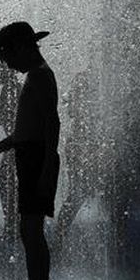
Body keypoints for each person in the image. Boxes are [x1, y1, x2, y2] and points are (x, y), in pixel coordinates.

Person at [0, 22, 59, 280]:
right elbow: (23, 133)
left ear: (22, 48)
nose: (7, 66)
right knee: (29, 230)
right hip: (32, 157)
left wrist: (46, 168)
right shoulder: (35, 75)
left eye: (8, 58)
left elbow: (52, 122)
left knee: (32, 231)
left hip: (37, 159)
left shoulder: (40, 75)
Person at [52, 70, 103, 251]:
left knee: (79, 192)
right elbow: (75, 114)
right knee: (78, 193)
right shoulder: (80, 97)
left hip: (84, 145)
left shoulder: (81, 97)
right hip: (79, 146)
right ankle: (59, 234)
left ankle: (60, 234)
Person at [0, 62, 20, 240]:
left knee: (5, 181)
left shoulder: (11, 89)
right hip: (16, 143)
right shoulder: (11, 88)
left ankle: (13, 224)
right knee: (7, 182)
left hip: (17, 144)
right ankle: (13, 223)